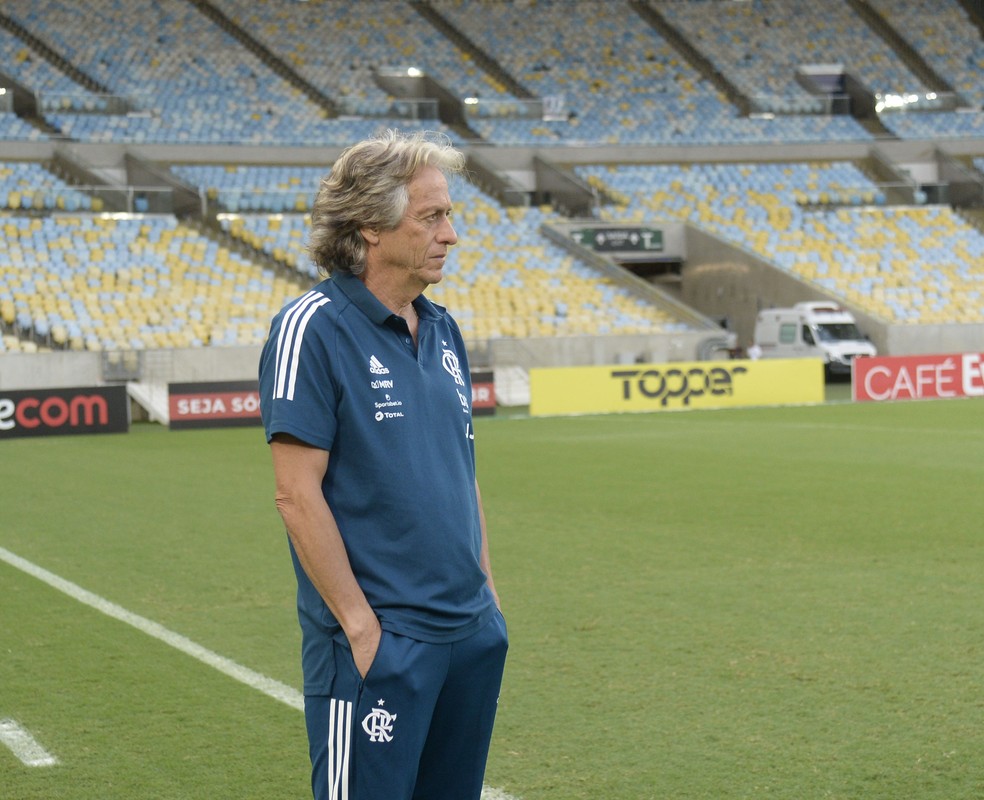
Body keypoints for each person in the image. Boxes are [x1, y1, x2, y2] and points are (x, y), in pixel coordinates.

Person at [258, 129, 507, 800]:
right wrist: (363, 630)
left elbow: (462, 469)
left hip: (469, 637)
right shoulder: (312, 327)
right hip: (381, 647)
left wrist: (487, 599)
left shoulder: (445, 328)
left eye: (449, 214)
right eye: (432, 216)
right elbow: (295, 494)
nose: (451, 234)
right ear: (370, 224)